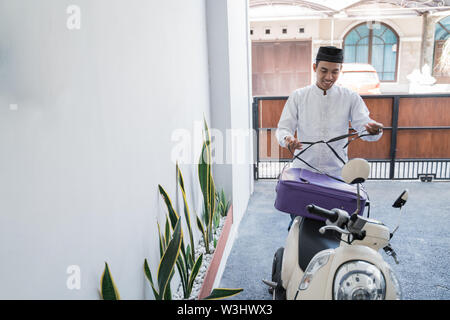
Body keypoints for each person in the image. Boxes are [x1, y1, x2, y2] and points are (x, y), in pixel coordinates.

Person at [276, 46, 383, 178]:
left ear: (340, 70)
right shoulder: (298, 96)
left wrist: (373, 131)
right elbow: (283, 129)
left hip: (337, 172)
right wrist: (288, 139)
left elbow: (364, 125)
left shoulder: (350, 97)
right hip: (303, 170)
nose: (329, 77)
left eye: (334, 72)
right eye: (324, 71)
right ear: (314, 68)